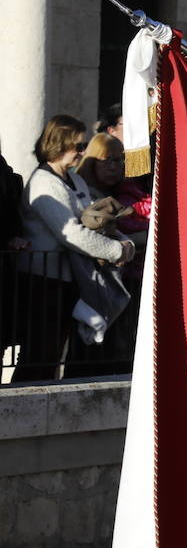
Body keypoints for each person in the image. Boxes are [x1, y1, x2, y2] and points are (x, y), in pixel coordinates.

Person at [13, 115, 134, 382]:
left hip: (68, 278)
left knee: (54, 351)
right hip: (42, 280)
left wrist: (123, 241)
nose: (82, 152)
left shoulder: (73, 179)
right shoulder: (44, 182)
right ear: (58, 145)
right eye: (78, 146)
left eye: (83, 146)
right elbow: (71, 233)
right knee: (40, 353)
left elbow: (92, 220)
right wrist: (116, 251)